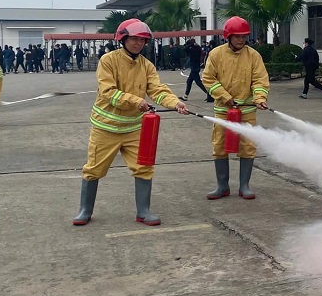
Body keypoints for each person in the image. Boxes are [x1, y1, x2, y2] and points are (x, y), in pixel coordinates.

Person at [72, 19, 186, 227]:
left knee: (144, 168)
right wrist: (136, 101)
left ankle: (143, 212)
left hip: (134, 129)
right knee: (93, 169)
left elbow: (157, 89)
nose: (138, 43)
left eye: (142, 40)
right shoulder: (108, 60)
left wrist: (174, 103)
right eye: (134, 39)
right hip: (105, 128)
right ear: (123, 39)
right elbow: (108, 92)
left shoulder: (147, 66)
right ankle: (85, 211)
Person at [201, 16, 269, 200]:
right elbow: (208, 78)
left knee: (247, 146)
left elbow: (260, 80)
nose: (241, 39)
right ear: (228, 36)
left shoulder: (253, 56)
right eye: (237, 36)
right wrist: (225, 97)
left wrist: (260, 98)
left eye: (244, 36)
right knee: (220, 146)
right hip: (223, 111)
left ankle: (244, 186)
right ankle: (222, 186)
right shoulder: (216, 54)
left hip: (247, 111)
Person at [181, 37, 212, 102]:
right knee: (189, 81)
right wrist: (192, 44)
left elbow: (184, 49)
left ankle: (209, 95)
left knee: (198, 82)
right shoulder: (197, 48)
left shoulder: (192, 49)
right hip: (196, 66)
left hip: (194, 67)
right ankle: (185, 96)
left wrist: (190, 45)